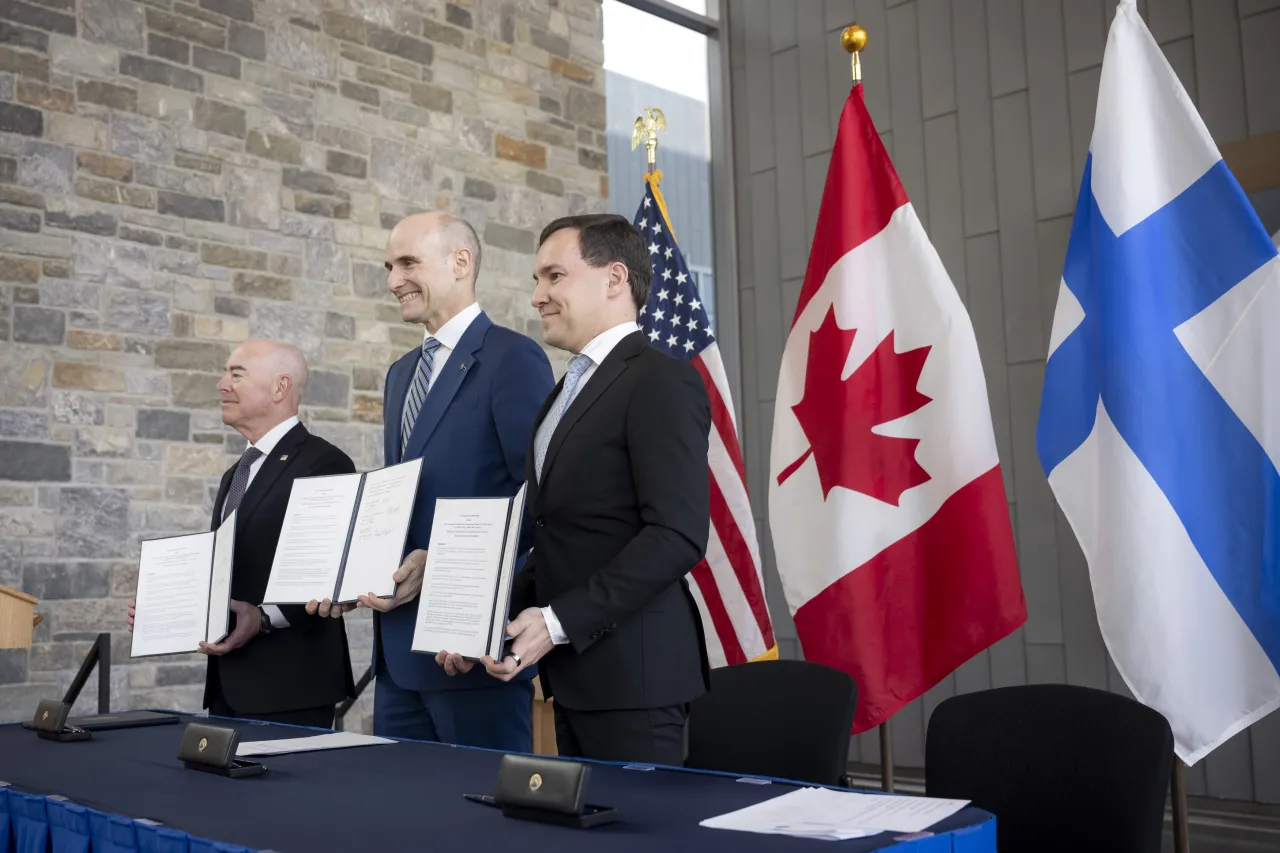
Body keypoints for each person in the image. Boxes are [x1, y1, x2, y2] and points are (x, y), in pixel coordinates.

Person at [437, 214, 712, 765]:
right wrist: (488, 622)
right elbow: (561, 538)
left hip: (638, 682)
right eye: (537, 280)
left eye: (554, 276)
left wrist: (556, 624)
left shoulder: (660, 378)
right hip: (576, 678)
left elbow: (676, 535)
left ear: (614, 279)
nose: (537, 296)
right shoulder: (564, 391)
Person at [309, 212, 553, 750]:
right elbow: (404, 499)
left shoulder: (513, 358)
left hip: (468, 648)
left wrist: (449, 570)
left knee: (481, 827)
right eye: (389, 266)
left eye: (408, 263)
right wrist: (355, 571)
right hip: (396, 655)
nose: (393, 280)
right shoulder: (401, 373)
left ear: (460, 262)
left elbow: (538, 500)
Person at [127, 340, 357, 729]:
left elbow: (328, 574)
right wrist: (173, 607)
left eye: (236, 374)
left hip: (290, 690)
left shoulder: (325, 462)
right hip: (228, 685)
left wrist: (264, 619)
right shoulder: (236, 473)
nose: (221, 384)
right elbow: (233, 568)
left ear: (280, 388)